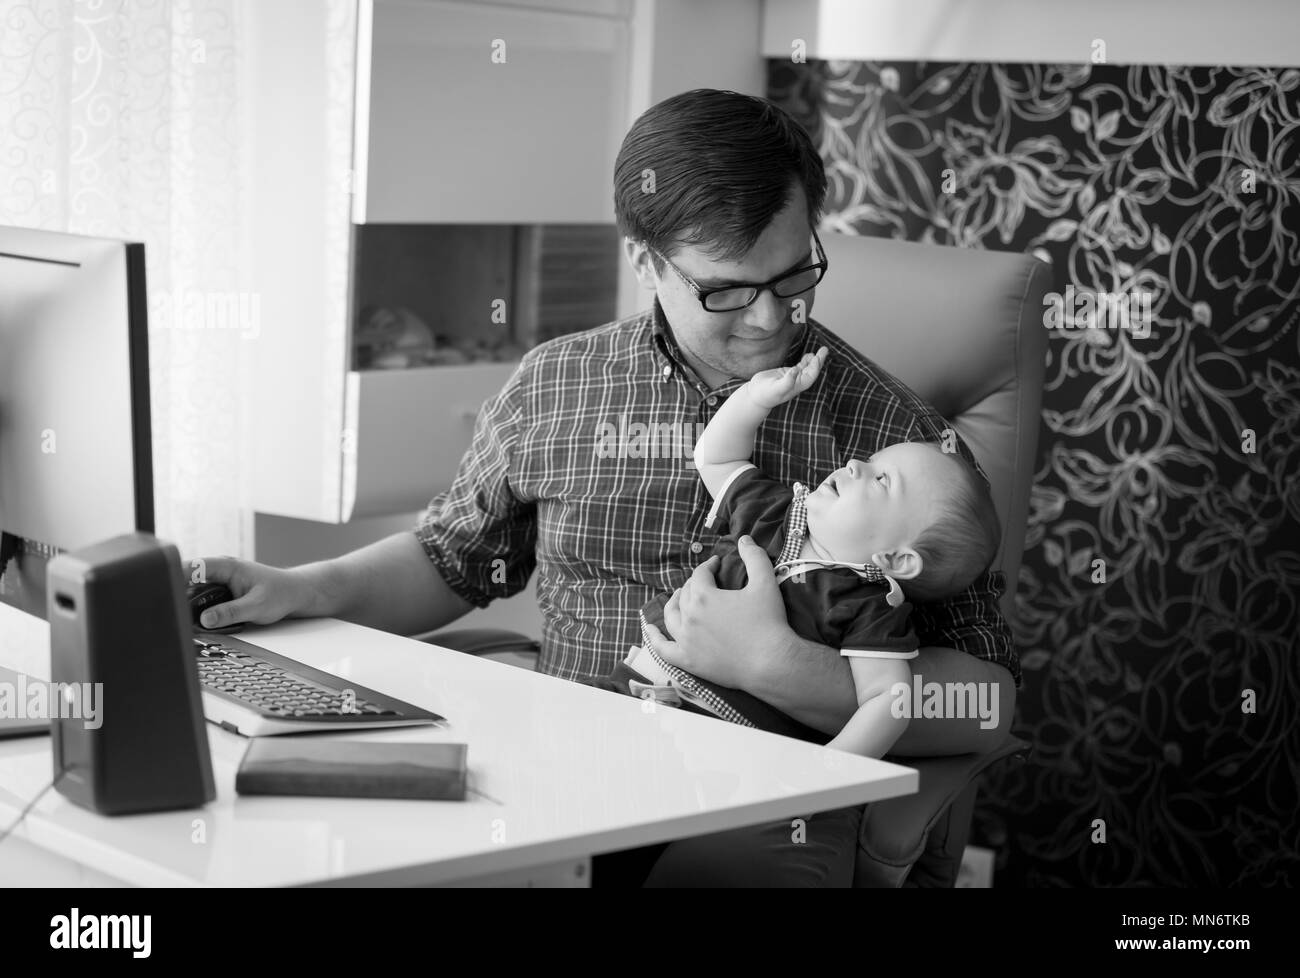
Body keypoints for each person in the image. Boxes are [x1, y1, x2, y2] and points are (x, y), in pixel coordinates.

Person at [192, 89, 1020, 886]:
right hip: (562, 770)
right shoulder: (556, 386)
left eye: (795, 276)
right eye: (726, 290)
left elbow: (987, 704)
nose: (770, 321)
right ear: (643, 259)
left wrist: (782, 667)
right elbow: (453, 561)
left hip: (760, 797)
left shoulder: (895, 443)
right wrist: (298, 590)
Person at [583, 345, 1002, 759]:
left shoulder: (869, 608)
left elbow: (889, 702)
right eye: (871, 459)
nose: (856, 464)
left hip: (726, 748)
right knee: (561, 750)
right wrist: (753, 399)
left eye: (881, 481)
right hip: (632, 689)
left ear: (897, 560)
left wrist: (826, 772)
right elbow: (716, 457)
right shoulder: (775, 513)